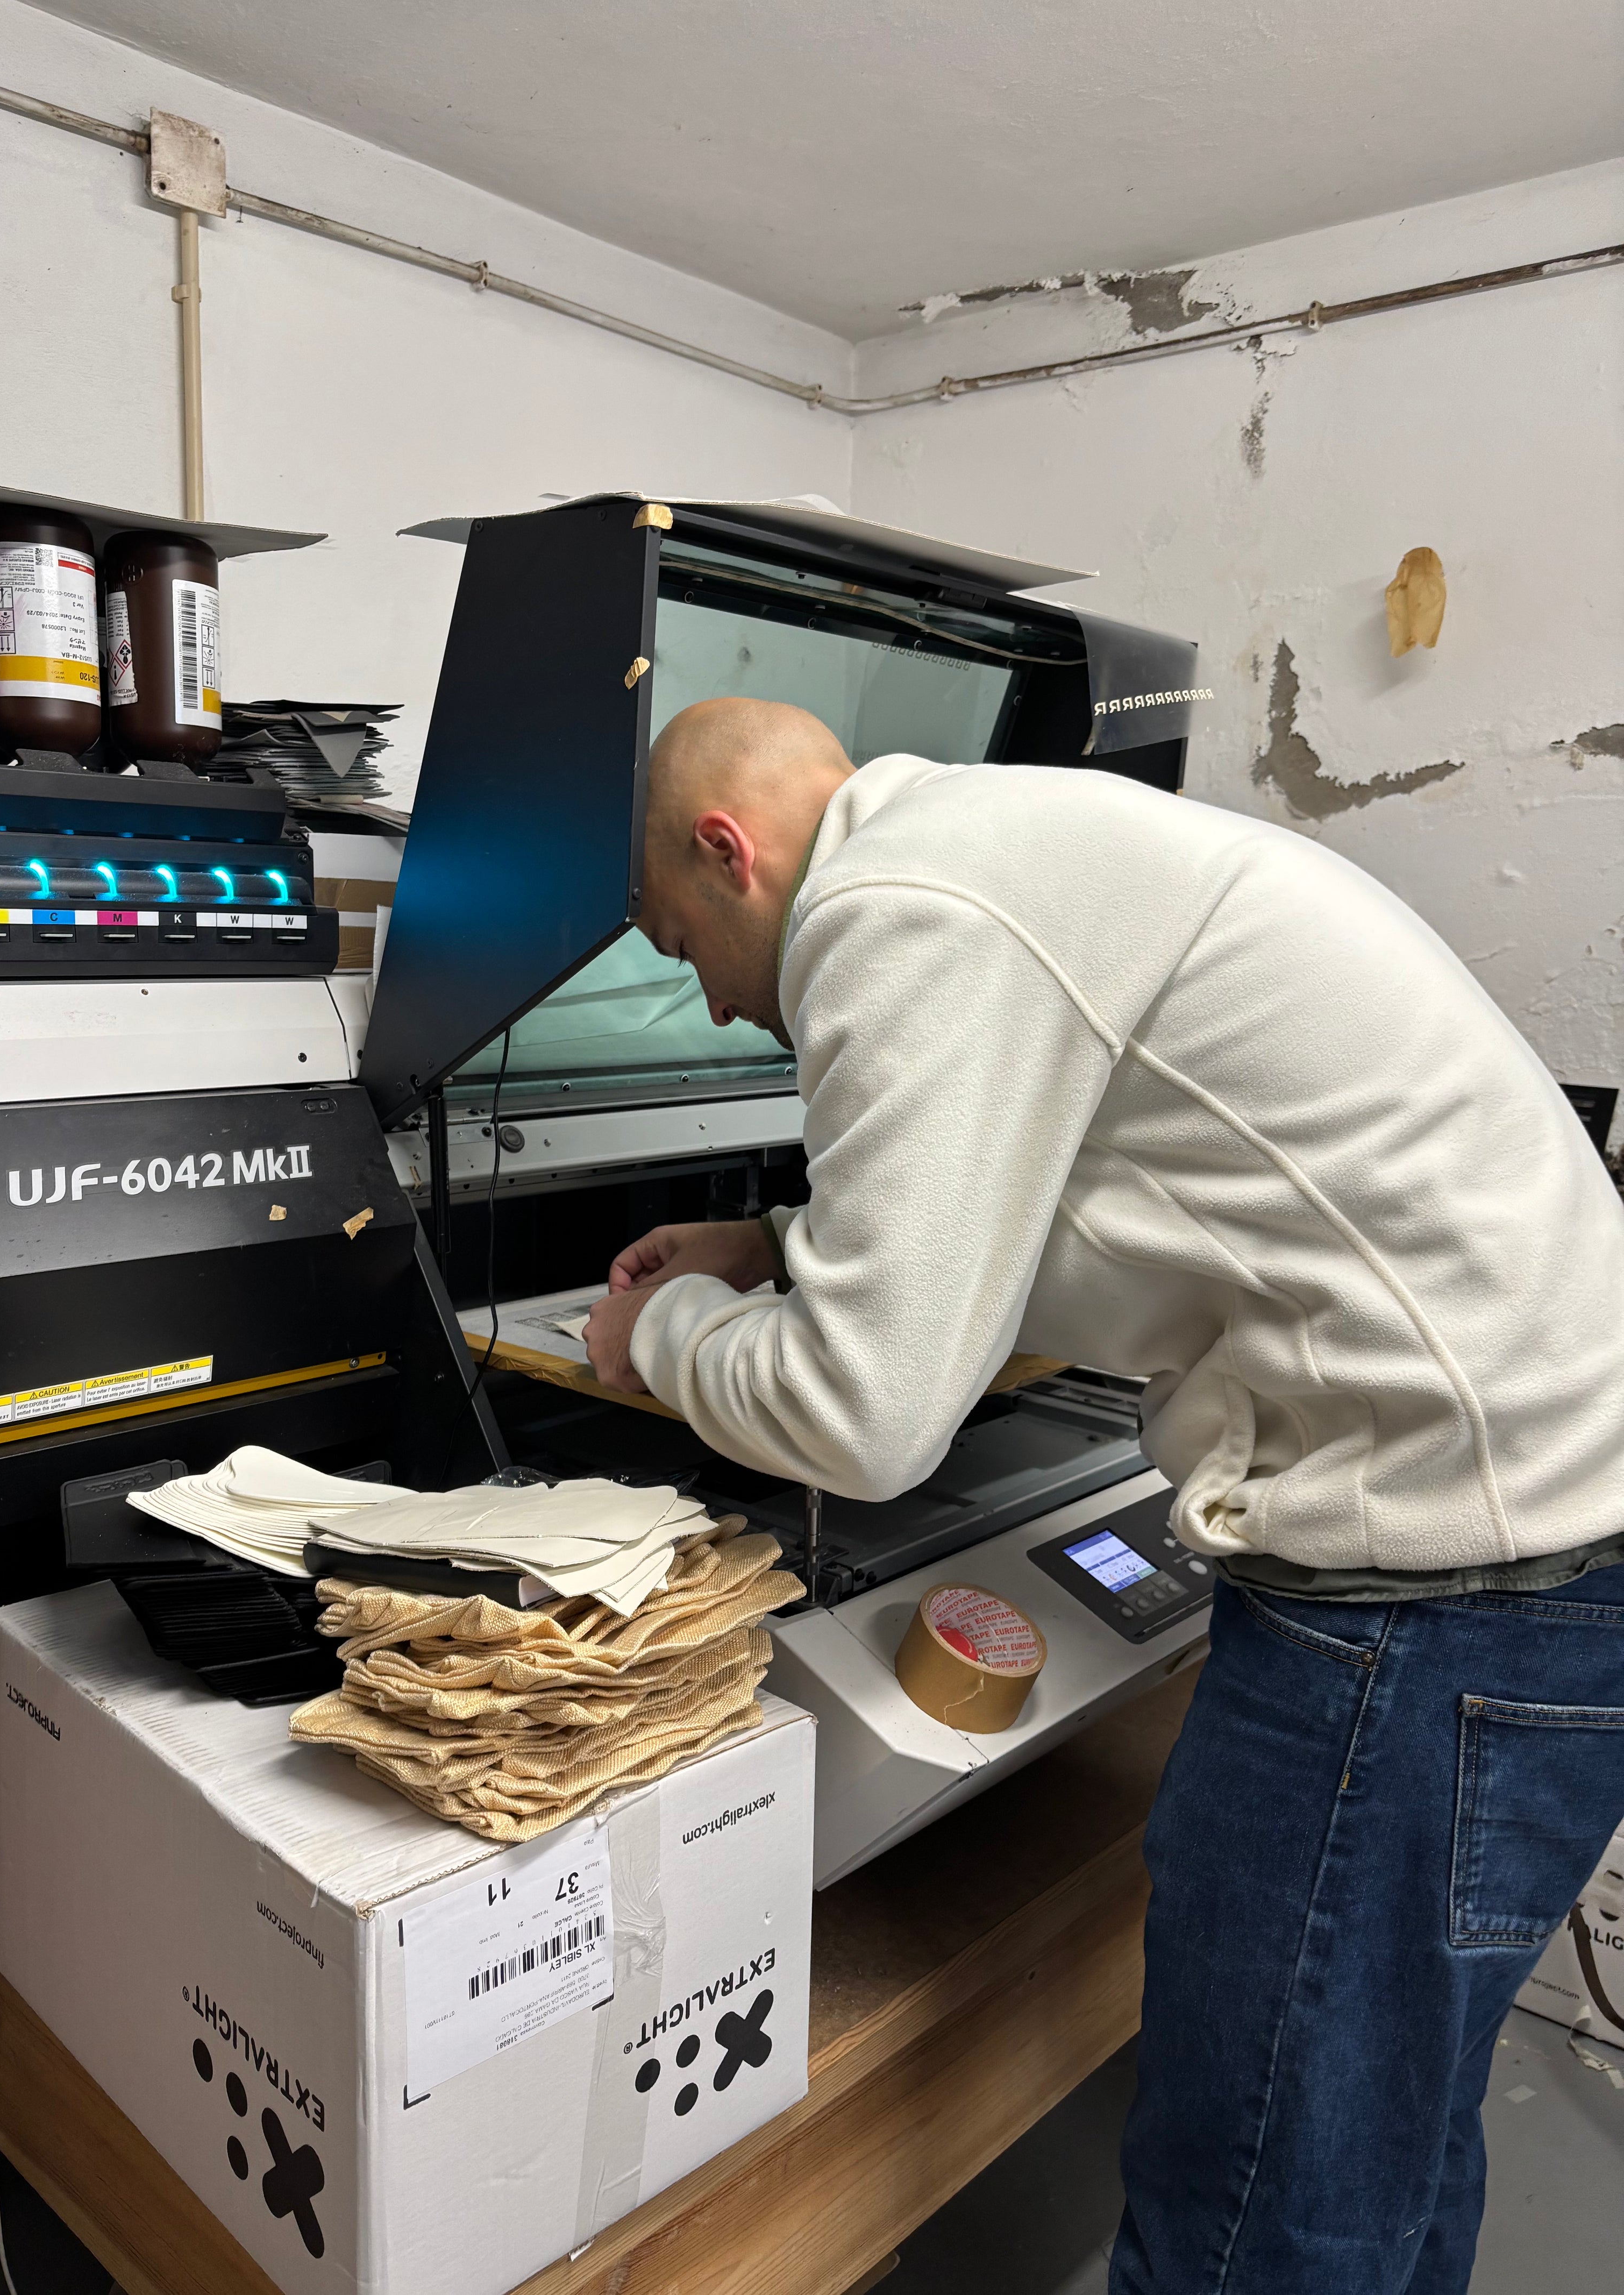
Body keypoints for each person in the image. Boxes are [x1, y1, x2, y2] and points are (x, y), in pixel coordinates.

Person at [582, 696, 1624, 2295]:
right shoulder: (984, 847)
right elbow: (1058, 1182)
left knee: (1259, 2222)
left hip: (1428, 1600)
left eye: (682, 946)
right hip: (1547, 1553)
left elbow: (863, 1419)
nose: (716, 1004)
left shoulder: (884, 907)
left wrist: (660, 1334)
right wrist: (779, 1247)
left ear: (730, 854)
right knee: (1387, 2149)